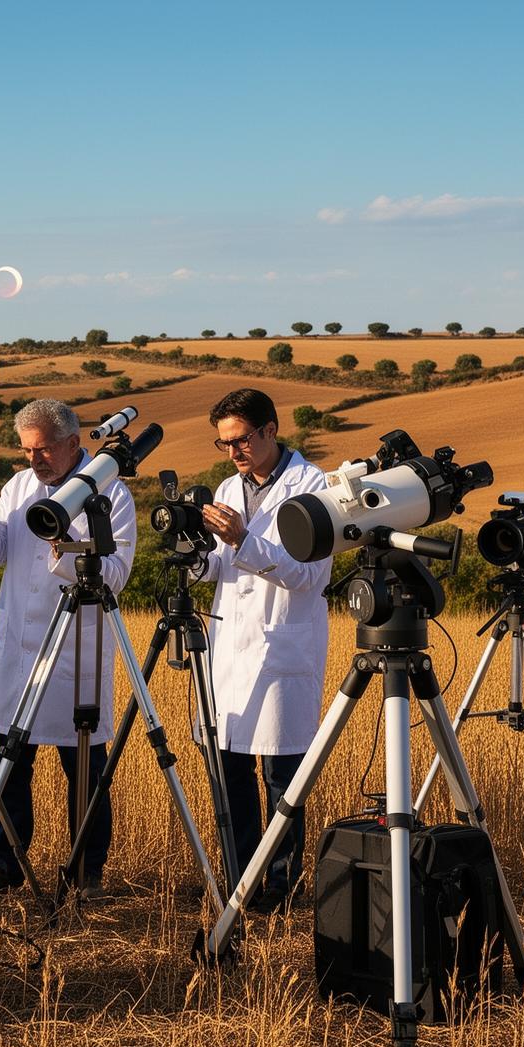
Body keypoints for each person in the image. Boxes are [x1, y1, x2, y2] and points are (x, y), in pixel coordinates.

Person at [0, 399, 136, 898]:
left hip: (72, 654)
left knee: (83, 767)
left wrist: (64, 543)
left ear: (73, 443)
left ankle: (86, 869)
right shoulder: (18, 486)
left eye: (43, 449)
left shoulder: (111, 493)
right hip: (18, 648)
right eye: (26, 450)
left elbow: (117, 576)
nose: (34, 459)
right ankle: (5, 863)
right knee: (9, 764)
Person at [196, 389, 330, 910]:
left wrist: (243, 540)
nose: (233, 453)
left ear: (271, 430)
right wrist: (196, 558)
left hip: (283, 648)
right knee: (228, 768)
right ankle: (240, 878)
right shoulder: (229, 486)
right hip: (230, 647)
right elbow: (222, 568)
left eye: (242, 440)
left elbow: (309, 576)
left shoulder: (314, 487)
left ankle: (283, 885)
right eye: (224, 443)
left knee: (281, 777)